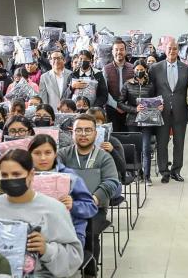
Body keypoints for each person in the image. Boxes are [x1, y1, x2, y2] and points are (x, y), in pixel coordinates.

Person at [0, 149, 83, 277]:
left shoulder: (54, 209)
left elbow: (74, 257)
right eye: (4, 175)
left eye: (16, 174)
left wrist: (46, 249)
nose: (10, 179)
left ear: (31, 175)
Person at [57, 114, 120, 275]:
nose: (83, 134)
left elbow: (111, 183)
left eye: (87, 130)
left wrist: (93, 199)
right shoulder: (62, 155)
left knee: (89, 230)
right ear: (72, 133)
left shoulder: (104, 157)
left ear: (95, 133)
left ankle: (90, 271)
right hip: (65, 207)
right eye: (79, 130)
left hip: (95, 207)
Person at [28, 134, 98, 246]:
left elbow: (91, 207)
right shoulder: (24, 177)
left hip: (69, 234)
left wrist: (73, 205)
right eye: (37, 153)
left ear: (55, 154)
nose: (43, 158)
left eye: (48, 153)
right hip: (33, 234)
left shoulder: (69, 177)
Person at [149, 39, 188, 183]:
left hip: (180, 111)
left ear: (178, 50)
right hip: (162, 112)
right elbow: (152, 90)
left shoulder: (187, 69)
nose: (172, 51)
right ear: (164, 50)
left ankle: (176, 171)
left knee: (179, 142)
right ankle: (164, 172)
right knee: (162, 143)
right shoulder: (155, 68)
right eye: (169, 48)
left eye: (174, 49)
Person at [118, 59, 159, 184]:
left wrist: (158, 105)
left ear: (146, 70)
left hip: (147, 120)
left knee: (146, 148)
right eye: (137, 70)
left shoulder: (151, 84)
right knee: (136, 148)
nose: (139, 72)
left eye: (142, 70)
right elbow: (120, 103)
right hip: (132, 121)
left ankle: (147, 176)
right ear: (133, 70)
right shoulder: (127, 84)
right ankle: (138, 173)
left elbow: (156, 99)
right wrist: (134, 109)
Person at [87, 107, 127, 184]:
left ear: (104, 122)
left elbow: (122, 167)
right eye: (91, 121)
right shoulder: (82, 141)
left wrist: (112, 150)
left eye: (97, 121)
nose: (95, 124)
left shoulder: (112, 141)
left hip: (109, 180)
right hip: (88, 178)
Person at [103, 39, 134, 132]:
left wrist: (126, 106)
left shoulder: (133, 68)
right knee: (114, 138)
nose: (119, 52)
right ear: (112, 52)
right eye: (116, 49)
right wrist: (116, 106)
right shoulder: (106, 69)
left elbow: (136, 89)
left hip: (129, 110)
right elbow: (105, 91)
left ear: (125, 51)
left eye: (121, 49)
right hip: (112, 110)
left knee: (129, 138)